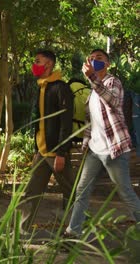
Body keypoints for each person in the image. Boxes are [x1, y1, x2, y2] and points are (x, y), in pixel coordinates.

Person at [65, 49, 140, 237]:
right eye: (91, 58)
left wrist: (92, 77)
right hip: (94, 151)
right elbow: (91, 123)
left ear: (107, 64)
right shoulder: (91, 91)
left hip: (113, 149)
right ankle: (73, 232)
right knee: (81, 191)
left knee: (125, 192)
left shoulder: (113, 82)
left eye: (99, 58)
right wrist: (86, 143)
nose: (94, 61)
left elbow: (113, 102)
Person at [19, 50, 76, 233]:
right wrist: (37, 149)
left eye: (37, 61)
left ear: (49, 64)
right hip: (42, 153)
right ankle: (23, 230)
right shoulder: (41, 86)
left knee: (70, 193)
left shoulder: (61, 88)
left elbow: (66, 123)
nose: (34, 65)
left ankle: (76, 229)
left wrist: (61, 152)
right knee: (30, 193)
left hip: (56, 152)